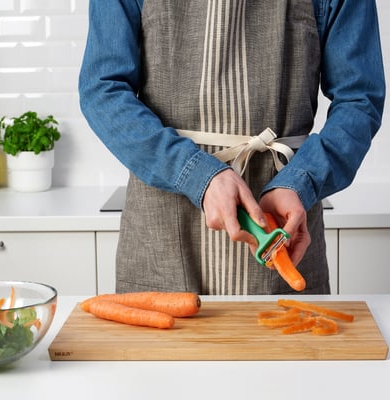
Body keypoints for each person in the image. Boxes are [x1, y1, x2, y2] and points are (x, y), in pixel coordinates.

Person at [79, 0, 385, 295]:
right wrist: (197, 174)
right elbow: (103, 88)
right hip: (163, 236)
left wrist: (302, 181)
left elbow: (359, 99)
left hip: (283, 224)